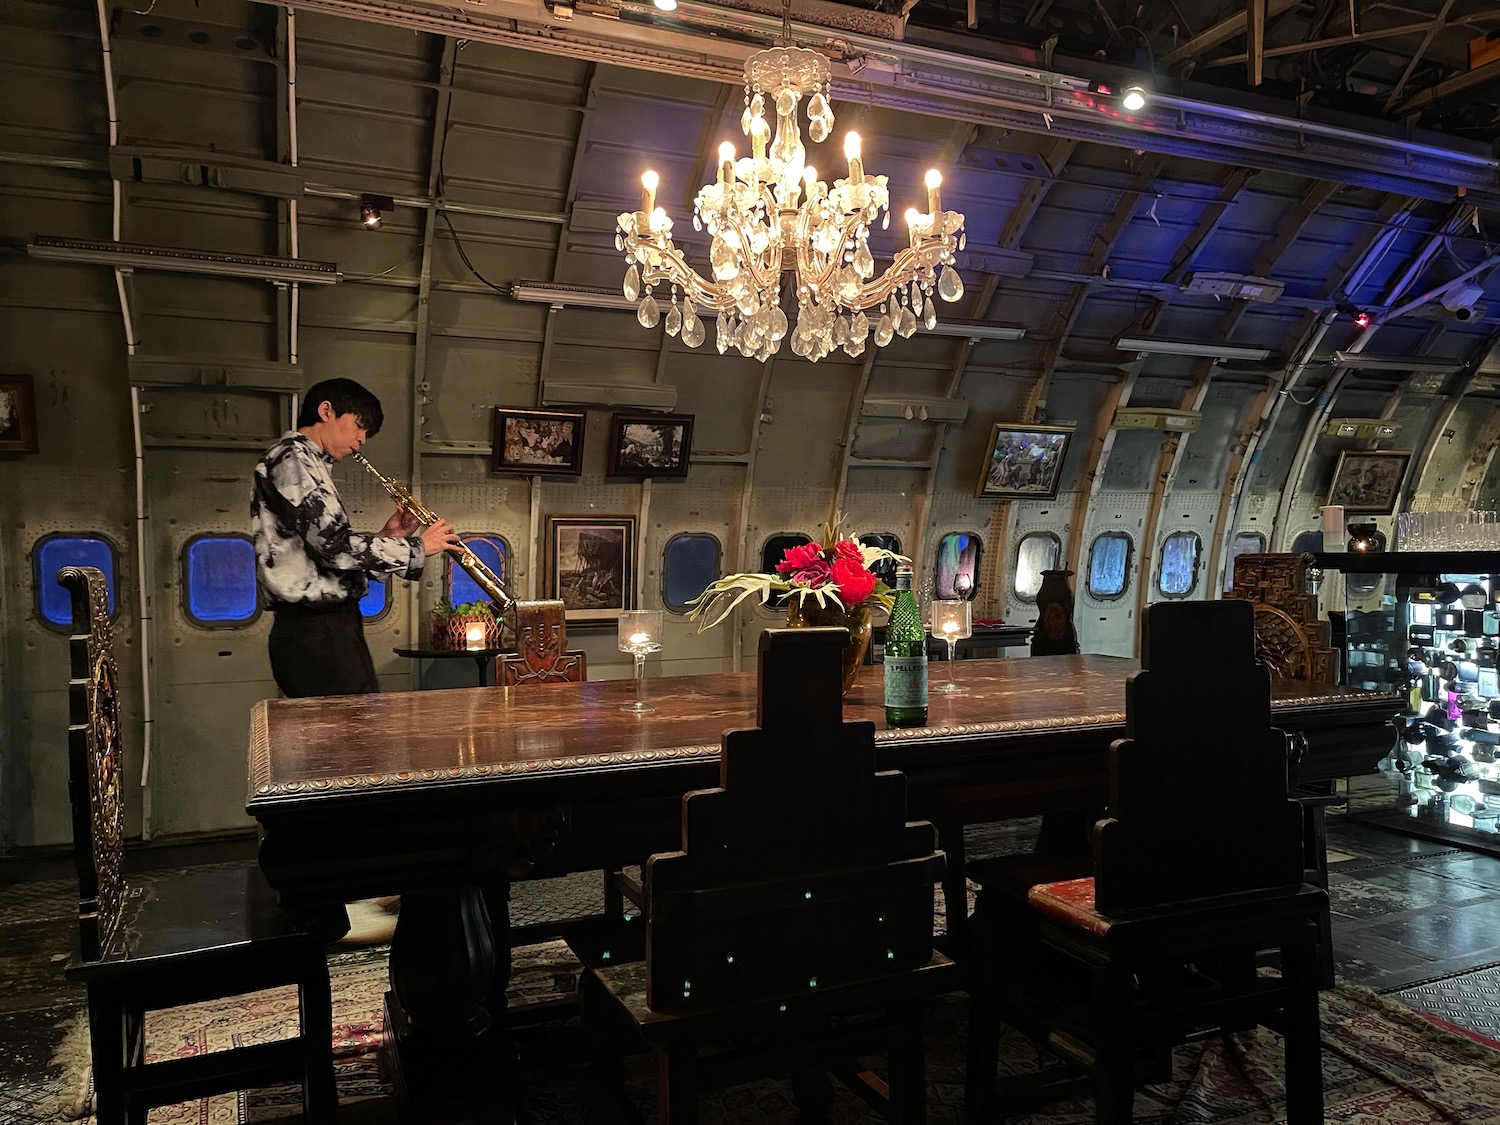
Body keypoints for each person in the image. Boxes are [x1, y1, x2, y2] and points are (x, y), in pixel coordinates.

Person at [251, 378, 461, 698]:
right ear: (326, 411)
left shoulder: (308, 463)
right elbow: (331, 546)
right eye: (359, 427)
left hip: (327, 628)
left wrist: (392, 535)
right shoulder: (293, 457)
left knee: (355, 733)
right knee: (349, 738)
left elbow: (323, 552)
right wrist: (416, 548)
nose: (361, 440)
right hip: (316, 630)